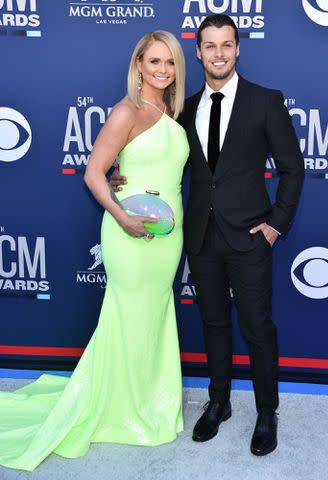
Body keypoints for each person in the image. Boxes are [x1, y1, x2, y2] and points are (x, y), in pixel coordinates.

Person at [111, 14, 304, 456]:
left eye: (226, 45)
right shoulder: (184, 109)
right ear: (197, 52)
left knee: (257, 327)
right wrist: (124, 174)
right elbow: (154, 154)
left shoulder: (265, 101)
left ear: (238, 49)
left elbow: (293, 168)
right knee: (213, 324)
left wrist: (276, 225)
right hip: (200, 237)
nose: (218, 53)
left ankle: (266, 412)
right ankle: (218, 403)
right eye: (209, 45)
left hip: (251, 236)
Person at [0, 30, 189, 471]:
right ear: (138, 63)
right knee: (126, 316)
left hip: (167, 238)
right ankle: (118, 409)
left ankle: (148, 404)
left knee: (155, 317)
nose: (163, 70)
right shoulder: (128, 110)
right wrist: (123, 217)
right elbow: (93, 173)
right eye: (155, 61)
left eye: (171, 62)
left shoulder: (168, 111)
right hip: (129, 234)